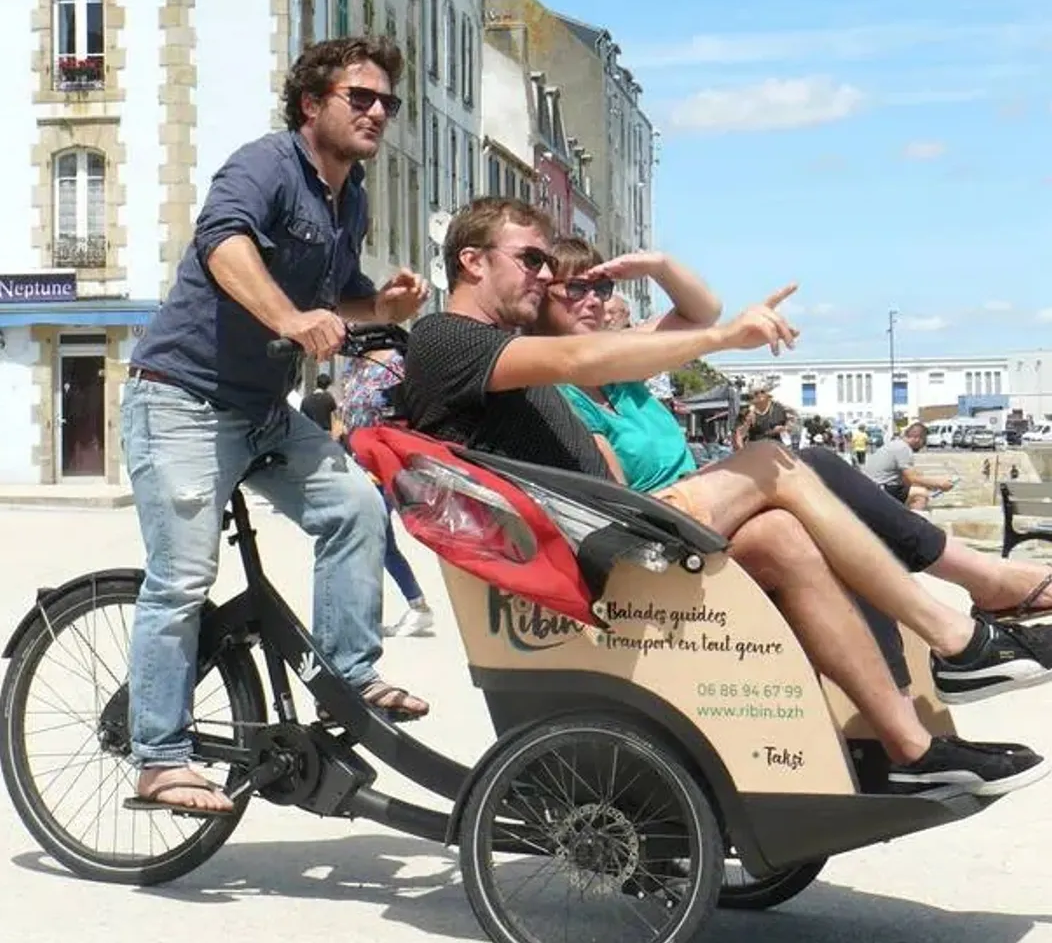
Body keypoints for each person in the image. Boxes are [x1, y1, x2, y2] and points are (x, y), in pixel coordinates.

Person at [401, 198, 1050, 797]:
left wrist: (691, 305)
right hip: (588, 543)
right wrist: (724, 340)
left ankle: (911, 748)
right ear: (472, 260)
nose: (544, 274)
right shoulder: (448, 338)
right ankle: (957, 637)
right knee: (777, 461)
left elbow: (618, 346)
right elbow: (580, 358)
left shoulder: (511, 348)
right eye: (530, 259)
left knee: (783, 536)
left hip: (604, 528)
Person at [122, 36, 431, 818]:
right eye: (360, 97)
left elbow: (340, 295)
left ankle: (348, 675)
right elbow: (222, 245)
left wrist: (380, 308)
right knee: (183, 580)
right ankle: (158, 755)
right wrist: (293, 319)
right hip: (182, 399)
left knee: (356, 506)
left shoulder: (350, 194)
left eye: (386, 102)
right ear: (311, 104)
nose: (377, 112)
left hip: (260, 411)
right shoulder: (265, 165)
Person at [538, 235, 1052, 656]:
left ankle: (904, 710)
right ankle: (980, 587)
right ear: (540, 297)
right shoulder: (557, 385)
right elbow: (612, 496)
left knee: (822, 502)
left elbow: (701, 313)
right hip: (669, 524)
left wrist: (657, 264)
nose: (596, 301)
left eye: (602, 290)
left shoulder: (619, 371)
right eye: (577, 289)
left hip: (701, 508)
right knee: (806, 464)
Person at [341, 350, 434, 639]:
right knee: (376, 540)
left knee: (373, 536)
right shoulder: (352, 364)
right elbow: (345, 413)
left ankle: (407, 607)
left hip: (382, 463)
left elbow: (407, 416)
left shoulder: (394, 362)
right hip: (354, 461)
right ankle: (411, 606)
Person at [867, 422, 955, 512]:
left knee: (919, 481)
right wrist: (939, 483)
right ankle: (912, 523)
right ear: (918, 438)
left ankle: (902, 514)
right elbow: (913, 478)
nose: (923, 445)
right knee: (921, 495)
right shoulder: (904, 448)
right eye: (924, 441)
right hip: (879, 490)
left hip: (872, 487)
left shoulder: (896, 444)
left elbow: (908, 478)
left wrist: (931, 485)